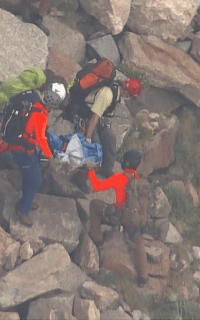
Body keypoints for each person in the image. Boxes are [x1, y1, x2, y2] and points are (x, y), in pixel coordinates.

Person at [87, 149, 150, 286]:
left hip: (120, 217)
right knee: (139, 243)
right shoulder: (141, 180)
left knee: (95, 205)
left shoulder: (120, 178)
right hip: (137, 219)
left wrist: (90, 171)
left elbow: (97, 187)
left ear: (126, 163)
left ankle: (97, 239)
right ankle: (143, 278)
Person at [9, 82, 66, 227]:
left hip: (23, 147)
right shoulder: (41, 117)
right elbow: (41, 138)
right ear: (51, 107)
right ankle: (23, 210)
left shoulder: (35, 105)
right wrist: (51, 158)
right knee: (35, 182)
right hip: (23, 151)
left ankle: (25, 200)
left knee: (30, 177)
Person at [70, 76, 142, 179]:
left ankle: (106, 171)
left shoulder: (116, 94)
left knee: (110, 139)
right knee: (94, 145)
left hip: (99, 120)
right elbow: (94, 116)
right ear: (126, 92)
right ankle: (83, 175)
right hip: (88, 118)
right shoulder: (107, 94)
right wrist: (88, 137)